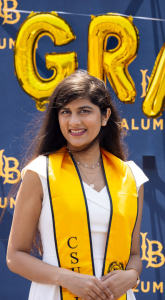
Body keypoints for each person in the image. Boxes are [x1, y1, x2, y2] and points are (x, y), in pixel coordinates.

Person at [6, 70, 148, 300]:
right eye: (65, 112)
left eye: (84, 111)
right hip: (55, 293)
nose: (74, 122)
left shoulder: (131, 176)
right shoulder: (40, 172)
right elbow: (15, 256)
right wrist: (65, 277)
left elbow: (134, 254)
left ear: (104, 116)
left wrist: (133, 275)